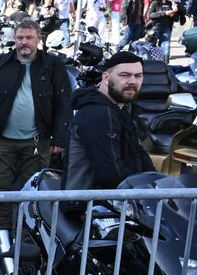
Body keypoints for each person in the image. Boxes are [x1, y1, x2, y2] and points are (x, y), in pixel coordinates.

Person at [0, 18, 72, 231]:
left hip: (37, 142)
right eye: (20, 38)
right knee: (0, 189)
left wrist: (60, 137)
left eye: (29, 38)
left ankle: (26, 233)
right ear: (14, 39)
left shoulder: (53, 65)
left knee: (32, 192)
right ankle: (2, 231)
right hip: (2, 140)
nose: (24, 42)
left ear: (39, 39)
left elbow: (64, 102)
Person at [63, 51, 150, 191]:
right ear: (106, 77)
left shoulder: (119, 109)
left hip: (113, 203)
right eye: (125, 75)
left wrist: (158, 184)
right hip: (89, 208)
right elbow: (110, 172)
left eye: (138, 76)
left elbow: (139, 154)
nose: (133, 81)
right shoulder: (99, 113)